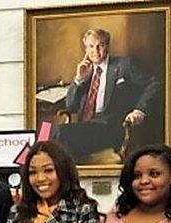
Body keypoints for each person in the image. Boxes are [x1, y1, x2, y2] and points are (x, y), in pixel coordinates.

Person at [62, 28, 162, 160]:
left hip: (111, 128)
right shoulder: (86, 71)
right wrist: (78, 79)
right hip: (85, 128)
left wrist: (140, 110)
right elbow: (70, 106)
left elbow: (155, 82)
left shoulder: (125, 64)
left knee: (56, 133)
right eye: (91, 46)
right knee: (52, 132)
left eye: (100, 46)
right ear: (85, 49)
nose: (95, 51)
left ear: (107, 46)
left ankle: (28, 160)